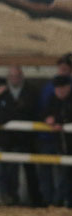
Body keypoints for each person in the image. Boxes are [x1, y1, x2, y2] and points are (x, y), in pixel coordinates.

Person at [4, 65, 43, 206]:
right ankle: (12, 198)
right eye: (12, 76)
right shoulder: (3, 91)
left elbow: (34, 111)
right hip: (10, 138)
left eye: (17, 76)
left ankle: (35, 199)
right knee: (11, 170)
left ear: (22, 76)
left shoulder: (32, 91)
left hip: (28, 137)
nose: (14, 79)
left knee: (31, 170)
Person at [39, 74, 72, 207]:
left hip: (67, 142)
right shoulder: (53, 99)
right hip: (61, 142)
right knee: (64, 172)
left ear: (68, 87)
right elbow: (43, 113)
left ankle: (60, 201)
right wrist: (48, 119)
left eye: (61, 88)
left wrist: (59, 121)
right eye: (57, 88)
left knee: (65, 173)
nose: (59, 91)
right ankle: (62, 201)